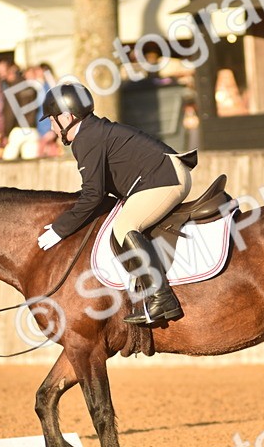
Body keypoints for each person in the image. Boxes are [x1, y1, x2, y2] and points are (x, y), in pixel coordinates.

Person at [36, 83, 196, 325]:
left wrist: (60, 229)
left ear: (67, 117)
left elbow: (93, 194)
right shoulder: (92, 131)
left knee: (125, 227)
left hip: (165, 179)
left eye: (52, 120)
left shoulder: (87, 138)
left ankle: (161, 297)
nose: (51, 127)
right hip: (159, 176)